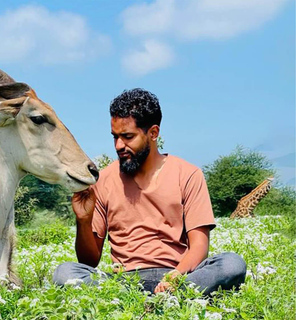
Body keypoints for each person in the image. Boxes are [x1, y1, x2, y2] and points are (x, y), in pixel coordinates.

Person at [53, 88, 246, 295]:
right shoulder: (104, 180)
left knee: (232, 264)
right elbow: (88, 261)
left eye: (127, 137)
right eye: (115, 137)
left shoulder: (188, 174)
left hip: (177, 275)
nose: (119, 145)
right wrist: (83, 220)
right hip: (124, 281)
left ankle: (167, 296)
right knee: (64, 273)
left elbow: (199, 244)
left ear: (153, 133)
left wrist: (176, 276)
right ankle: (152, 301)